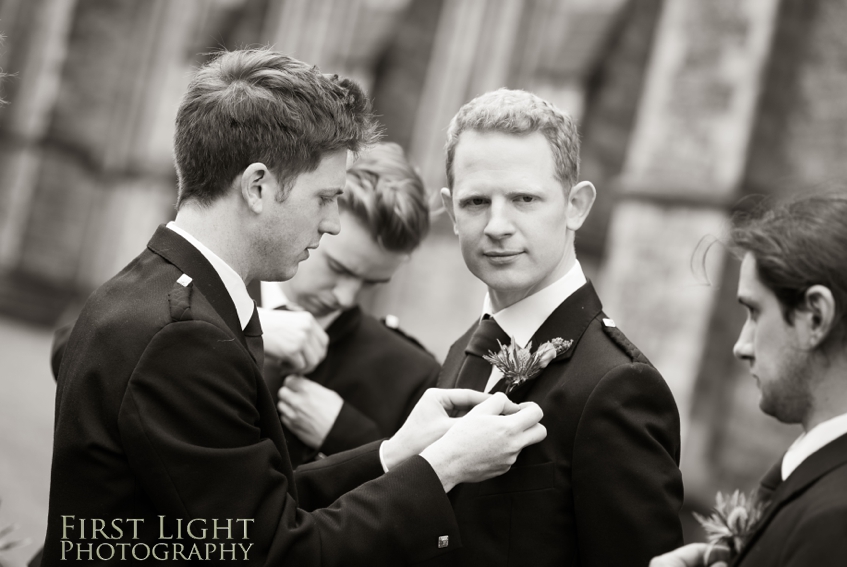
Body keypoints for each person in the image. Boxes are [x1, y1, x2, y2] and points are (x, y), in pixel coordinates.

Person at [39, 49, 547, 566]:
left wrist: (393, 454)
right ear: (258, 186)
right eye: (324, 198)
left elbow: (245, 510)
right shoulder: (185, 336)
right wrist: (441, 469)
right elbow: (276, 552)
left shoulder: (150, 285)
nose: (331, 224)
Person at [437, 89, 684, 567]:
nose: (496, 225)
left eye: (524, 198)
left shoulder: (615, 385)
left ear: (576, 206)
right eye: (475, 202)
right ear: (450, 211)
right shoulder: (461, 350)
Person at [650, 193, 847, 567]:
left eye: (755, 312)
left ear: (816, 318)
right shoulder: (812, 475)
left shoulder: (836, 520)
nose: (741, 346)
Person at [254, 142, 441, 467]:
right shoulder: (199, 300)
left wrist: (352, 438)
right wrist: (241, 328)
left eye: (371, 282)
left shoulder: (410, 374)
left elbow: (419, 501)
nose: (345, 298)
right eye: (339, 269)